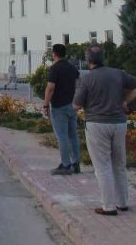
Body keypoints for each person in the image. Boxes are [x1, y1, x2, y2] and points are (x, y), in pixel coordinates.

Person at [73, 45, 136, 216]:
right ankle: (123, 202)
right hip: (119, 123)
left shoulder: (87, 78)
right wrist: (125, 101)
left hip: (97, 124)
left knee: (103, 166)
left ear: (88, 60)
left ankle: (109, 206)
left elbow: (76, 105)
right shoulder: (118, 73)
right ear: (103, 58)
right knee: (119, 164)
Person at [43, 44, 81, 175]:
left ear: (54, 54)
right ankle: (76, 163)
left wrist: (45, 105)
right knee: (73, 135)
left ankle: (65, 165)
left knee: (62, 136)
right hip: (72, 105)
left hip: (59, 106)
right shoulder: (72, 68)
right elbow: (78, 84)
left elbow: (50, 88)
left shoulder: (55, 68)